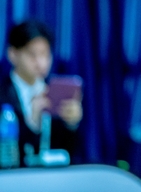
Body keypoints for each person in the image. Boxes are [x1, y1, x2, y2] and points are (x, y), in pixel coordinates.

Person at [0, 20, 83, 167]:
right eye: (32, 55)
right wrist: (32, 123)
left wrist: (71, 125)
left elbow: (68, 153)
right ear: (13, 54)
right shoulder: (3, 93)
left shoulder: (55, 90)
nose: (41, 63)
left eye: (45, 54)